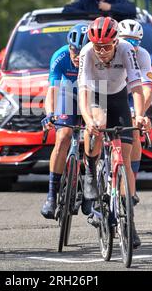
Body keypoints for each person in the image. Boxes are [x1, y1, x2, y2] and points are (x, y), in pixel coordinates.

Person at [78, 16, 148, 248]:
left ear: (116, 42)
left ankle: (130, 223)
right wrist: (88, 120)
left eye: (107, 47)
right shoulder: (87, 52)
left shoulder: (127, 49)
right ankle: (90, 170)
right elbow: (84, 91)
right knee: (97, 124)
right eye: (99, 47)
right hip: (97, 95)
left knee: (124, 159)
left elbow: (137, 85)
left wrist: (139, 115)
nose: (103, 51)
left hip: (118, 96)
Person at [40, 23, 89, 219]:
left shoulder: (95, 58)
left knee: (94, 138)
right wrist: (50, 113)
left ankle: (91, 188)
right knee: (63, 137)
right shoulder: (60, 56)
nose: (76, 55)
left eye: (81, 51)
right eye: (73, 49)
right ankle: (51, 197)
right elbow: (52, 90)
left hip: (94, 94)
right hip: (67, 95)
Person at [118, 19, 152, 202]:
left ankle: (132, 181)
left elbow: (147, 91)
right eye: (126, 41)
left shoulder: (143, 55)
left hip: (132, 94)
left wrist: (138, 114)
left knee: (133, 132)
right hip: (111, 93)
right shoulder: (111, 52)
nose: (131, 46)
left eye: (135, 42)